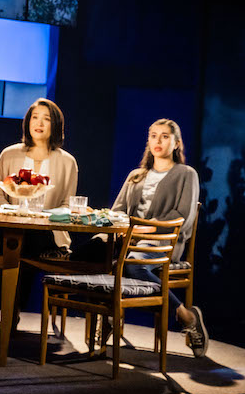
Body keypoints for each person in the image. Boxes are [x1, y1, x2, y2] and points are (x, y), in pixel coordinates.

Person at [84, 118, 207, 357]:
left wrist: (143, 230)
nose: (157, 141)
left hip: (163, 242)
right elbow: (118, 210)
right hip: (126, 241)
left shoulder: (186, 174)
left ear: (176, 143)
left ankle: (186, 316)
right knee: (92, 255)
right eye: (153, 135)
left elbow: (183, 217)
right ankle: (109, 316)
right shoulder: (136, 176)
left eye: (164, 136)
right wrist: (109, 220)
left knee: (132, 265)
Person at [0, 98, 78, 329]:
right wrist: (14, 214)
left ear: (55, 125)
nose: (39, 123)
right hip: (7, 226)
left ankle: (10, 310)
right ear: (27, 122)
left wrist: (42, 218)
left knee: (26, 241)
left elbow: (67, 203)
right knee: (13, 238)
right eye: (35, 117)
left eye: (46, 119)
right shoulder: (9, 155)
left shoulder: (67, 162)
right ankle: (9, 310)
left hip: (48, 233)